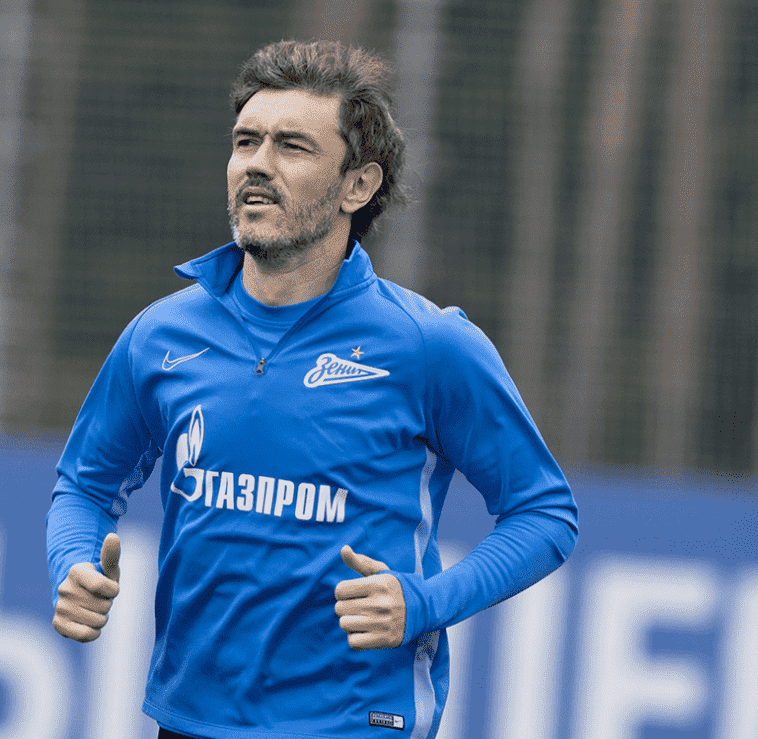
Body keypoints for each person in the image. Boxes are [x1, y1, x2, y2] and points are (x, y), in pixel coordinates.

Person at [47, 39, 578, 739]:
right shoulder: (160, 334)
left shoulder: (428, 344)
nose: (257, 163)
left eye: (292, 146)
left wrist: (424, 603)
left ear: (358, 185)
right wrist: (73, 563)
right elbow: (84, 486)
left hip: (355, 721)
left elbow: (544, 512)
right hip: (190, 718)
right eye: (246, 141)